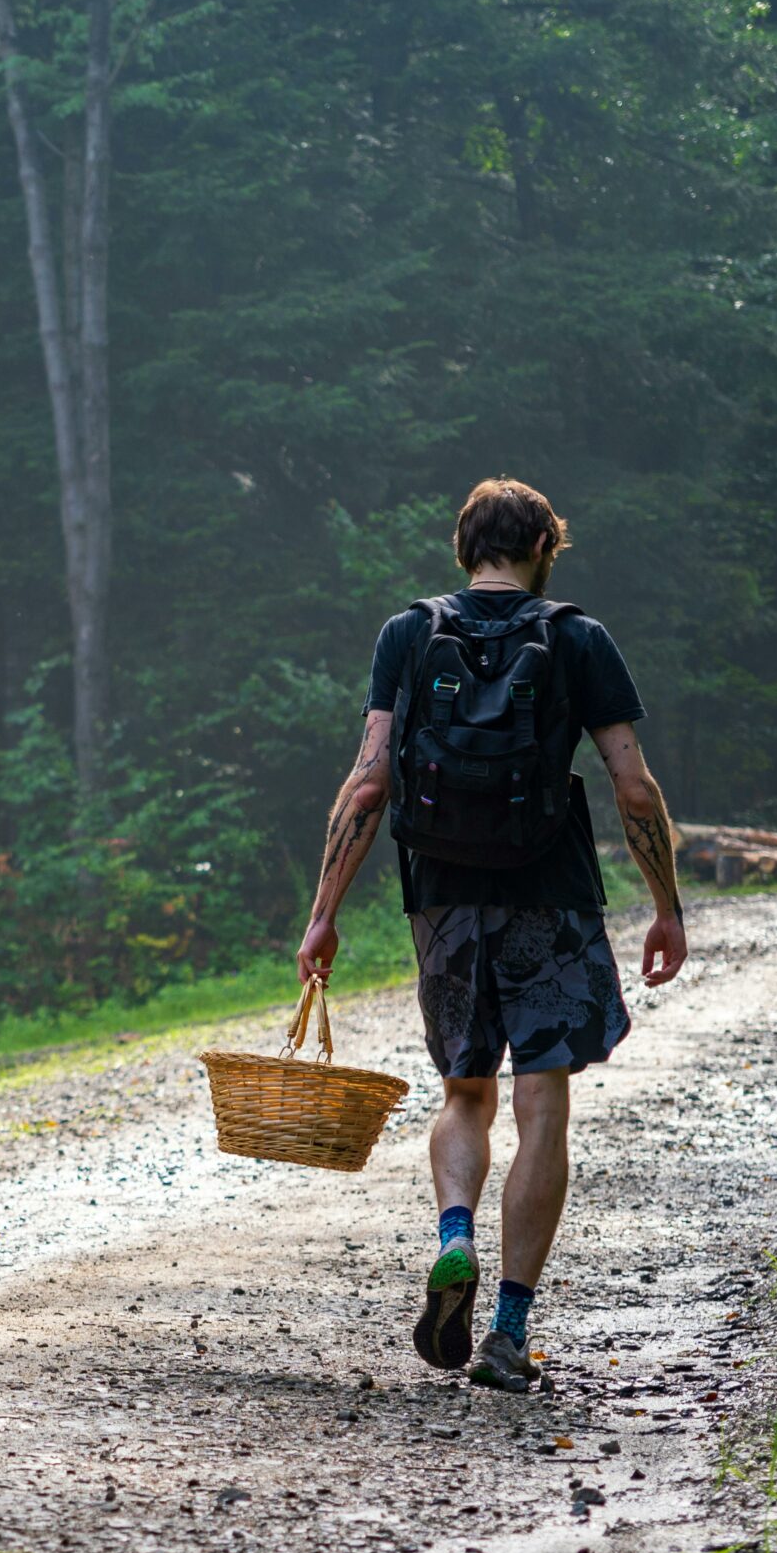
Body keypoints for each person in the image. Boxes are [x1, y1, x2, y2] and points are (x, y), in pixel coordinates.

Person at [292, 477, 687, 1393]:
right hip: (550, 895)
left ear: (465, 548)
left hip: (443, 897)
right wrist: (665, 903)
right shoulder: (578, 637)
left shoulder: (408, 632)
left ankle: (454, 1235)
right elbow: (634, 786)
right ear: (546, 547)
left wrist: (323, 915)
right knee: (542, 1105)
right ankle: (508, 1332)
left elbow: (366, 785)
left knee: (465, 1094)